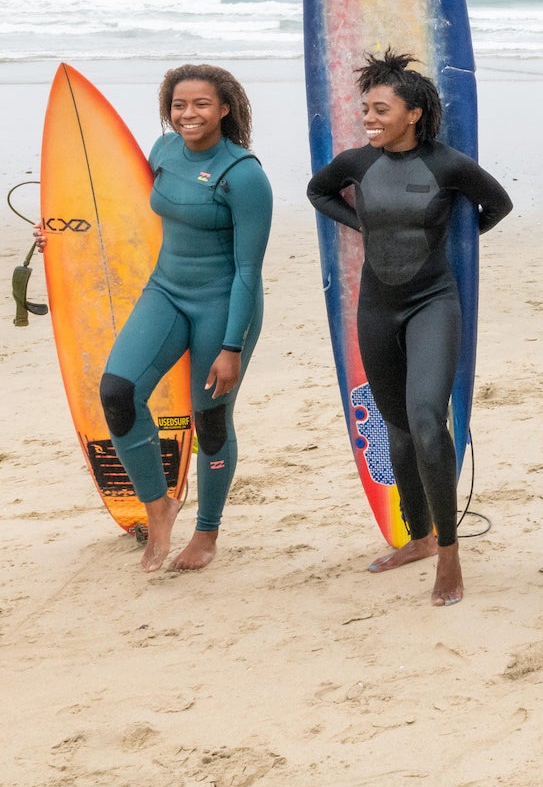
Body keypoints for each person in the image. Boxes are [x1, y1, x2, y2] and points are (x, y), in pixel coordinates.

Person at [34, 66, 274, 573]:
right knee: (118, 392)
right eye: (179, 104)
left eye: (201, 105)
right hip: (165, 291)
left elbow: (249, 270)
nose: (188, 114)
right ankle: (158, 504)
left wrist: (232, 346)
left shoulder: (244, 175)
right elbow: (124, 212)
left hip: (224, 304)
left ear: (225, 109)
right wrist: (59, 230)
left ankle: (207, 532)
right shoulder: (164, 151)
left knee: (209, 421)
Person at [307, 50, 512, 606]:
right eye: (365, 108)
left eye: (380, 109)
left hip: (432, 302)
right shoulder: (356, 163)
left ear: (414, 113)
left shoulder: (448, 166)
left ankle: (449, 551)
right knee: (395, 429)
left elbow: (498, 204)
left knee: (426, 421)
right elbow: (318, 192)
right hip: (376, 305)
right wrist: (363, 226)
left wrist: (456, 245)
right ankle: (417, 538)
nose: (368, 118)